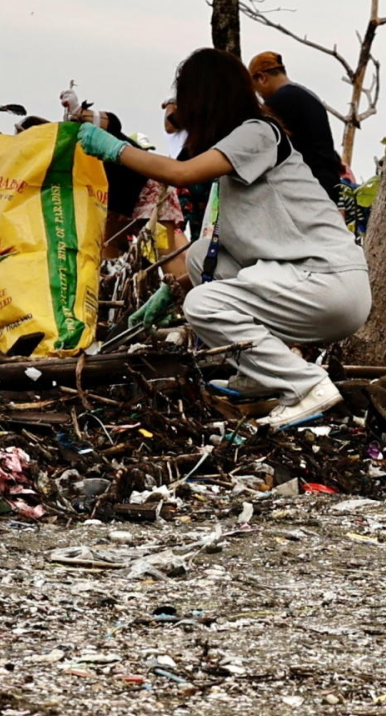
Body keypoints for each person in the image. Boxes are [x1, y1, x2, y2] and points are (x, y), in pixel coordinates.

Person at [77, 49, 367, 433]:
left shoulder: (259, 132)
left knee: (204, 304)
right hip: (312, 284)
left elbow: (181, 173)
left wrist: (115, 149)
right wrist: (172, 289)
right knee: (200, 258)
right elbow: (216, 259)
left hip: (328, 284)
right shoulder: (236, 162)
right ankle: (262, 373)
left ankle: (306, 384)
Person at [247, 53, 345, 202]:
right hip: (327, 182)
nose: (259, 95)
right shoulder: (308, 96)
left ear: (262, 78)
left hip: (306, 186)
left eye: (256, 89)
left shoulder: (279, 102)